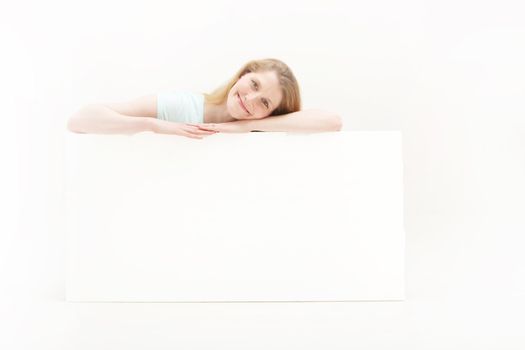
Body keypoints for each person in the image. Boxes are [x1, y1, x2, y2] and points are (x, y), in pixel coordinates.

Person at [67, 58, 342, 139]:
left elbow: (332, 122)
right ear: (243, 74)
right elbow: (80, 120)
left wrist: (242, 127)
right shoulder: (182, 104)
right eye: (254, 84)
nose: (251, 99)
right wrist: (152, 124)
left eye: (265, 103)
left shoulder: (260, 128)